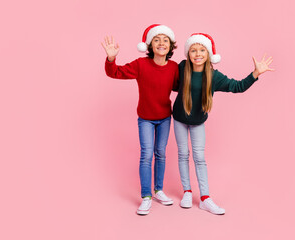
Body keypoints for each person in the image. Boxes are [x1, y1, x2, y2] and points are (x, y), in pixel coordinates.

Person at [173, 33, 274, 215]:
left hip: (197, 123)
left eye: (202, 50)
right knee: (182, 154)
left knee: (199, 157)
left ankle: (205, 198)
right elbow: (167, 81)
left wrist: (255, 74)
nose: (197, 54)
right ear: (188, 54)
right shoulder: (181, 68)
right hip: (179, 119)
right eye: (193, 50)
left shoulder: (214, 75)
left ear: (209, 54)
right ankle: (187, 192)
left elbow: (238, 86)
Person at [101, 24, 179, 215]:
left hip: (165, 118)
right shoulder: (140, 64)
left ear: (170, 46)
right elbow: (114, 72)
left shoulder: (174, 67)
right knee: (147, 154)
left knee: (161, 153)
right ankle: (146, 196)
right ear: (149, 45)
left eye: (165, 40)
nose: (161, 43)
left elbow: (182, 86)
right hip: (145, 118)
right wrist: (111, 58)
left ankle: (159, 190)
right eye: (157, 40)